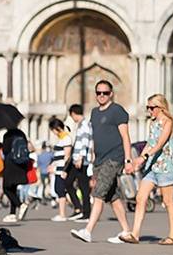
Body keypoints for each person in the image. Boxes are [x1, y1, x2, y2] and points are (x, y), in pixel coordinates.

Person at [71, 80, 135, 244]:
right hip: (99, 159)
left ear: (111, 94)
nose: (101, 96)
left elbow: (125, 137)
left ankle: (88, 230)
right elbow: (95, 138)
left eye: (105, 93)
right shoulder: (94, 113)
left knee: (98, 194)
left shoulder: (117, 111)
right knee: (112, 196)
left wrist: (128, 160)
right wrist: (92, 159)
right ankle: (127, 231)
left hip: (114, 157)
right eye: (98, 93)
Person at [123, 94, 173, 245]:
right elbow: (150, 143)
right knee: (140, 198)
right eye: (147, 107)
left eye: (152, 107)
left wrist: (144, 157)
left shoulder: (168, 122)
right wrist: (139, 161)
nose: (149, 111)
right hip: (151, 166)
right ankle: (135, 234)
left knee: (168, 201)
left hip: (165, 166)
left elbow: (160, 144)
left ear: (161, 108)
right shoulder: (152, 123)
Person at [66, 104, 93, 220]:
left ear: (73, 114)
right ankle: (79, 208)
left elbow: (85, 141)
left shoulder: (85, 124)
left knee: (84, 187)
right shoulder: (81, 124)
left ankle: (86, 213)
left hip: (81, 160)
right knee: (68, 182)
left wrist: (80, 157)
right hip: (76, 159)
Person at [1, 129, 32, 223]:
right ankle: (12, 213)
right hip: (21, 164)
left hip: (10, 164)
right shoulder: (22, 133)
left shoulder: (7, 135)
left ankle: (20, 205)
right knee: (13, 188)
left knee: (6, 188)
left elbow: (5, 150)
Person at [48, 118, 73, 222]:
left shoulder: (66, 138)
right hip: (57, 168)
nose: (53, 133)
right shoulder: (61, 139)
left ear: (57, 128)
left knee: (60, 190)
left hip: (62, 169)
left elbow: (67, 155)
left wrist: (64, 170)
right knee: (59, 190)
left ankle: (62, 214)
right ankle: (64, 212)